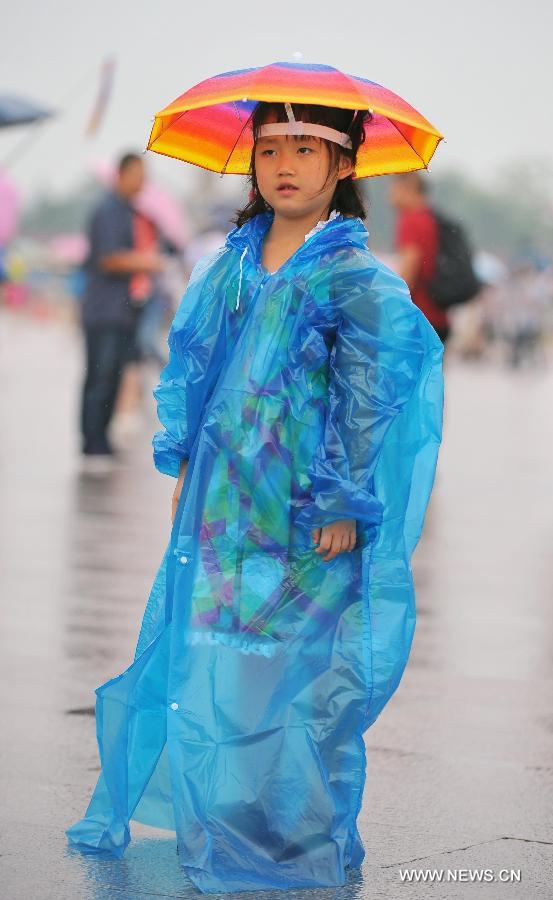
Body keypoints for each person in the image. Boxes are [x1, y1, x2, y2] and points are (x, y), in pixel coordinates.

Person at [66, 102, 444, 892]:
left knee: (296, 668)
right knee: (218, 655)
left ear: (343, 166)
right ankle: (223, 814)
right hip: (226, 500)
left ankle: (290, 830)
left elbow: (368, 390)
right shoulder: (232, 264)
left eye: (306, 149)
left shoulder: (352, 276)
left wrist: (341, 497)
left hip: (306, 507)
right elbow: (194, 372)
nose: (285, 165)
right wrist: (184, 470)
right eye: (270, 148)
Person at [79, 152, 164, 472]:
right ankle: (91, 443)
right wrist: (145, 261)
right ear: (122, 174)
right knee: (99, 376)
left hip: (127, 310)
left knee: (114, 376)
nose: (143, 181)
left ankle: (103, 438)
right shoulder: (106, 210)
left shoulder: (134, 213)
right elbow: (108, 258)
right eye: (139, 174)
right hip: (104, 310)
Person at [389, 171, 451, 345]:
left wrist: (392, 309)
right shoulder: (429, 217)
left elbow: (409, 270)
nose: (389, 195)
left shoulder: (411, 220)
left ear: (407, 188)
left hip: (419, 316)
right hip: (438, 314)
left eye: (393, 188)